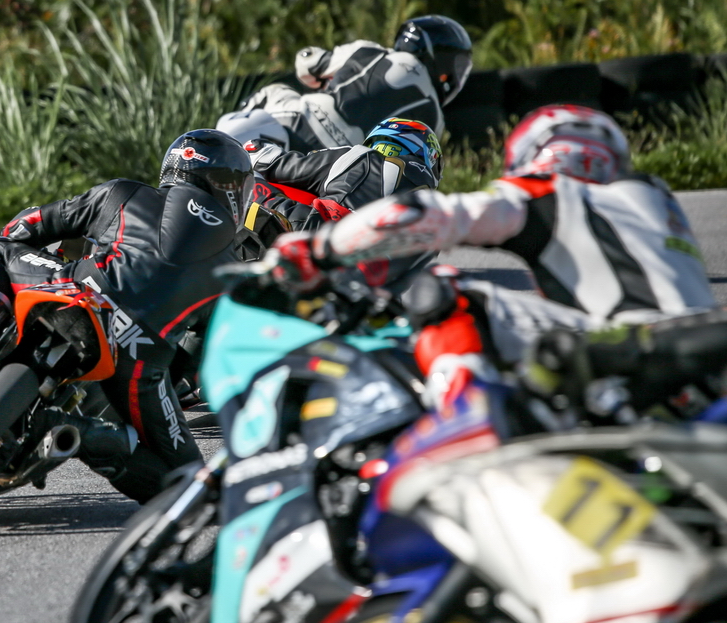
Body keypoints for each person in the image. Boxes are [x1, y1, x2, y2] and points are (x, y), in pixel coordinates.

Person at [265, 104, 721, 408]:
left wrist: (319, 249)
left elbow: (431, 214)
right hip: (704, 354)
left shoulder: (550, 188)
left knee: (449, 293)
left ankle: (458, 427)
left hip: (632, 349)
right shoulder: (657, 200)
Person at [0, 129, 252, 503]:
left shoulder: (124, 192)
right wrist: (161, 380)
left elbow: (25, 227)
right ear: (235, 192)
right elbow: (195, 361)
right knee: (192, 485)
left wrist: (48, 258)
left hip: (76, 291)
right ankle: (83, 435)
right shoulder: (235, 274)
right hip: (139, 362)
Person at [216, 15, 472, 152]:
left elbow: (307, 62)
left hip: (300, 124)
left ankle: (216, 151)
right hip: (343, 167)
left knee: (275, 91)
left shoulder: (370, 51)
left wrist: (321, 77)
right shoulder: (436, 119)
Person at [247, 116, 444, 232]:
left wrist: (256, 148)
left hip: (315, 236)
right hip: (372, 273)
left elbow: (277, 164)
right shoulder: (434, 215)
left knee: (244, 180)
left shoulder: (358, 156)